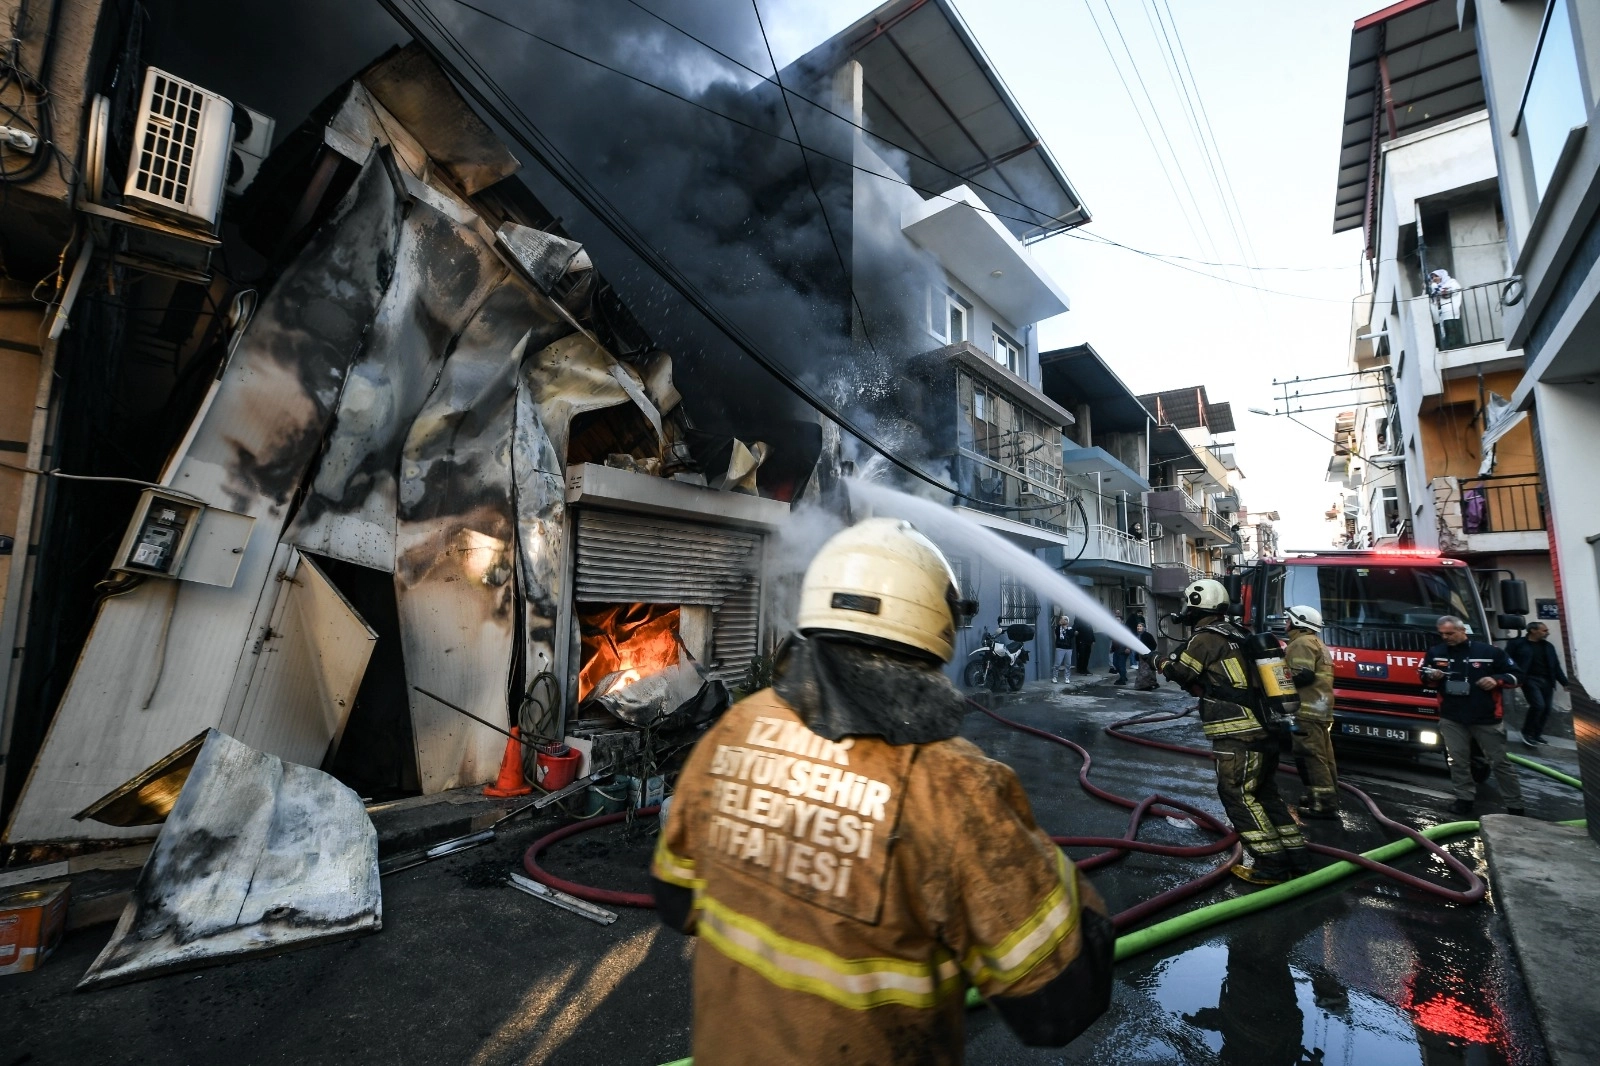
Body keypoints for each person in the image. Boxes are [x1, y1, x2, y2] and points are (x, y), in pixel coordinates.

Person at [651, 518, 1114, 1065]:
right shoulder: (953, 785)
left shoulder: (738, 727)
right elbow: (1062, 999)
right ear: (936, 624)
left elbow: (676, 898)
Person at [1160, 579, 1309, 886]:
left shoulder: (1205, 639)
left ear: (1196, 606)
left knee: (1237, 795)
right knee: (1265, 794)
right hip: (1267, 728)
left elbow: (1181, 672)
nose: (1185, 611)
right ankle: (1297, 857)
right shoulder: (1240, 633)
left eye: (1188, 604)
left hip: (1238, 733)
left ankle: (1271, 864)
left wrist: (1159, 661)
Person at [1419, 615, 1525, 816]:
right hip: (1452, 717)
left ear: (1463, 631)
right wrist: (1431, 676)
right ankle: (1464, 800)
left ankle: (1515, 806)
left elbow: (1518, 676)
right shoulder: (1436, 652)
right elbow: (1424, 677)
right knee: (1457, 761)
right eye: (1442, 634)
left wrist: (1496, 680)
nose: (1446, 637)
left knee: (1499, 763)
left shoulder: (1489, 652)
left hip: (1486, 718)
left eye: (1450, 633)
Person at [1283, 605, 1338, 819]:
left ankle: (1323, 805)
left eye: (1289, 620)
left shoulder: (1301, 643)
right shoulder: (1316, 643)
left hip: (1307, 711)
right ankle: (1324, 796)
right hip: (1320, 709)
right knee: (1324, 757)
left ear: (1299, 622)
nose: (1286, 623)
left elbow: (1302, 675)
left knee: (1311, 757)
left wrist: (1276, 679)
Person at [1508, 621, 1568, 746]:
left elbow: (1556, 666)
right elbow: (1507, 660)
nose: (1547, 633)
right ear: (1533, 630)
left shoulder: (1548, 646)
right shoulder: (1517, 644)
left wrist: (1564, 683)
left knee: (1546, 709)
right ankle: (1527, 733)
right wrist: (1513, 675)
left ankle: (1536, 734)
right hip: (1529, 679)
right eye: (1544, 630)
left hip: (1547, 680)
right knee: (1538, 705)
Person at [1429, 268, 1465, 349]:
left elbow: (1448, 293)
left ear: (1442, 276)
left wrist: (1437, 289)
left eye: (1436, 276)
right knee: (1444, 336)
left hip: (1450, 314)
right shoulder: (1434, 288)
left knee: (1453, 335)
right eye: (1432, 277)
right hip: (1440, 317)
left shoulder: (1451, 282)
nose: (1434, 279)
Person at [1133, 622, 1159, 691]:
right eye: (1138, 626)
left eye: (1140, 626)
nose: (1139, 627)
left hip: (1147, 656)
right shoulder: (1137, 636)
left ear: (1144, 628)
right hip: (1141, 656)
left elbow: (1154, 644)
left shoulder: (1147, 635)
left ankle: (1148, 685)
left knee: (1147, 671)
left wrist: (1148, 652)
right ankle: (1144, 685)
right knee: (1142, 671)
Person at [1053, 613, 1075, 683]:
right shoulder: (1058, 628)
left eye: (1065, 619)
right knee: (1057, 664)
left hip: (1068, 649)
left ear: (1067, 621)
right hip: (1060, 648)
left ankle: (1067, 678)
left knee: (1068, 664)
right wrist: (1060, 624)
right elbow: (1056, 632)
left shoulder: (1070, 629)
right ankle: (1055, 677)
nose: (1063, 620)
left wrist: (1065, 628)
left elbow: (1071, 635)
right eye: (1062, 619)